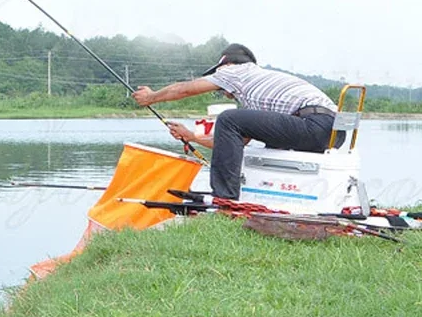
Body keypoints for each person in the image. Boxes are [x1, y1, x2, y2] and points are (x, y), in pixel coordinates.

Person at [131, 43, 345, 200]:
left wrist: (151, 97)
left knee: (227, 118)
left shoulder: (235, 71)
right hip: (334, 132)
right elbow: (234, 143)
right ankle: (275, 195)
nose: (219, 87)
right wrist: (191, 137)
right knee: (264, 142)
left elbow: (184, 89)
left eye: (216, 75)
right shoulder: (257, 92)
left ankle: (224, 197)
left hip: (313, 123)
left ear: (227, 64)